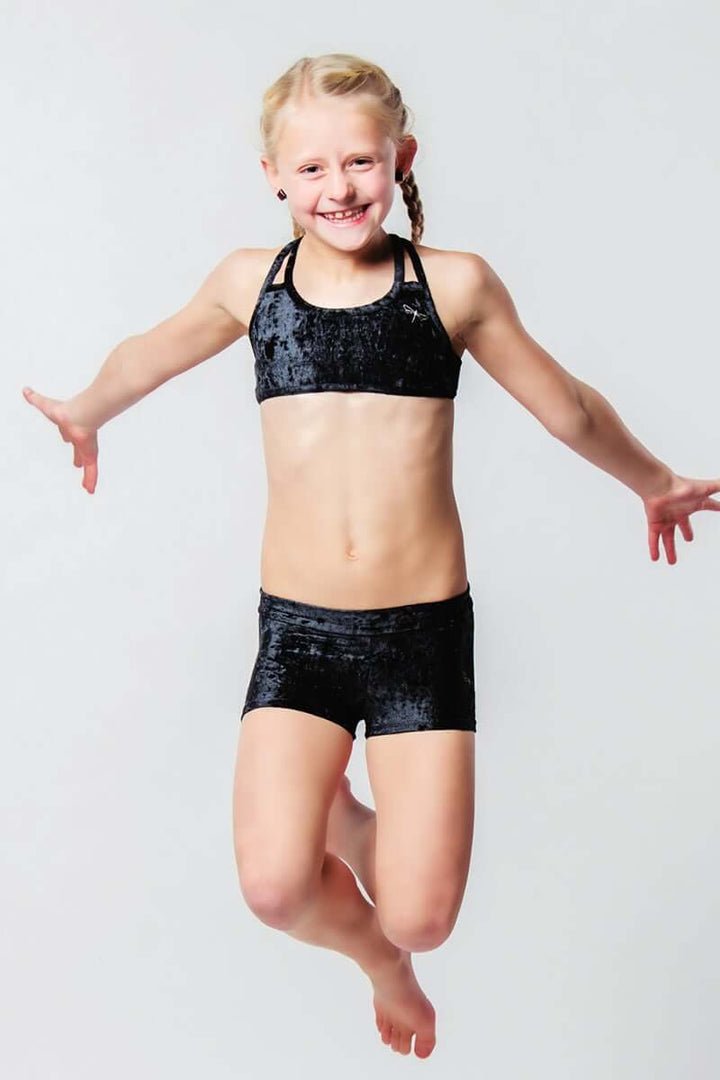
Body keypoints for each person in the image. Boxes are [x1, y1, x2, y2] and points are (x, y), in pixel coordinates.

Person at [22, 53, 720, 1060]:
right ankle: (377, 961)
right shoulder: (251, 284)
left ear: (402, 158)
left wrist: (651, 480)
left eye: (359, 162)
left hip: (419, 639)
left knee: (421, 916)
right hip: (299, 633)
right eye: (310, 168)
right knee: (274, 888)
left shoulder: (454, 286)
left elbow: (567, 405)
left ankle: (364, 861)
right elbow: (148, 352)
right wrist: (88, 408)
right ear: (272, 175)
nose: (338, 187)